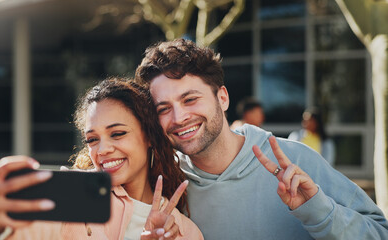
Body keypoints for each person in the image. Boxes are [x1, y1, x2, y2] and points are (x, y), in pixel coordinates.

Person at [135, 38, 388, 239]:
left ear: (222, 98)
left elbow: (380, 233)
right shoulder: (165, 183)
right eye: (164, 109)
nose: (178, 117)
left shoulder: (295, 161)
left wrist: (319, 211)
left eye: (190, 99)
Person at [0, 78, 203, 240]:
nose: (102, 149)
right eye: (92, 139)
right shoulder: (75, 195)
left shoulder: (185, 232)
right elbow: (22, 232)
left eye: (117, 134)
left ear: (149, 136)